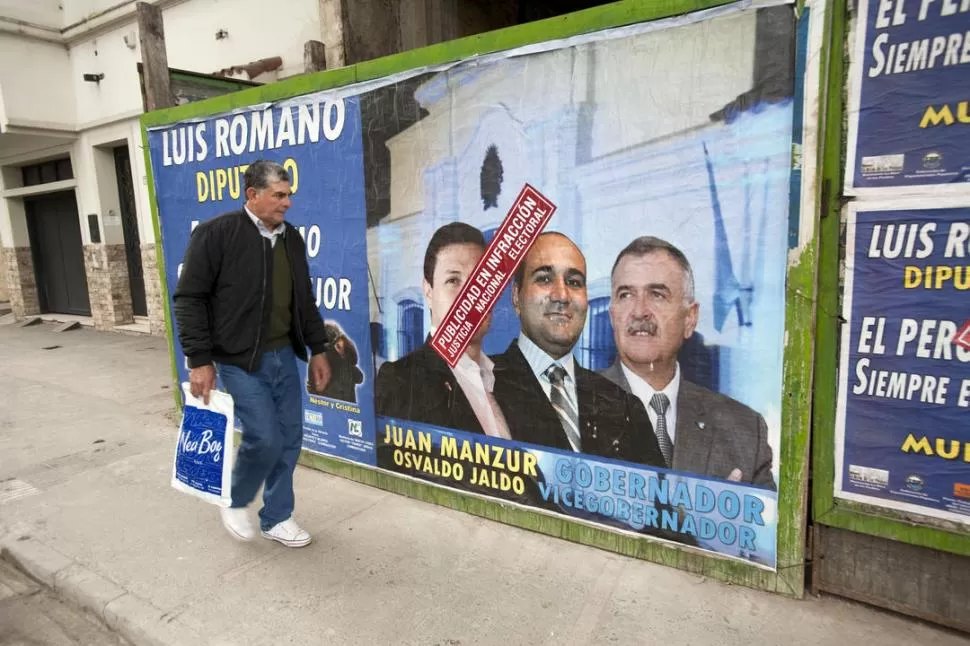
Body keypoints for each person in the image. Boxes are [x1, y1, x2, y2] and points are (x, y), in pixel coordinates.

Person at [173, 159, 333, 548]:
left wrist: (318, 349)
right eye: (279, 195)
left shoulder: (290, 239)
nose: (287, 203)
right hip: (239, 360)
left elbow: (304, 302)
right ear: (253, 195)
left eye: (288, 195)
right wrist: (199, 359)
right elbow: (189, 300)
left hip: (283, 356)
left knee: (290, 438)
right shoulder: (217, 235)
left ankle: (277, 517)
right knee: (264, 437)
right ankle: (235, 497)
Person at [599, 236, 776, 489]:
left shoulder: (746, 430)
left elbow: (764, 524)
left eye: (657, 295)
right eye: (626, 295)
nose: (639, 311)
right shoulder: (570, 409)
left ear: (690, 319)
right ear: (612, 315)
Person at [491, 232, 664, 466]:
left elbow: (658, 500)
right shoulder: (480, 385)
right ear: (516, 296)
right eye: (544, 279)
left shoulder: (625, 407)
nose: (561, 296)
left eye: (574, 282)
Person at [375, 222, 509, 439]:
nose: (470, 295)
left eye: (480, 280)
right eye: (453, 280)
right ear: (428, 292)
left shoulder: (510, 380)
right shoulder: (399, 382)